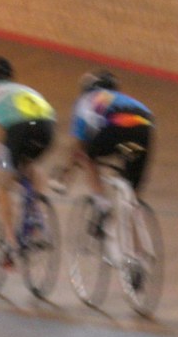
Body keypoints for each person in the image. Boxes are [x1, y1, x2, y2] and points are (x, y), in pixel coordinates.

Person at [0, 56, 56, 264]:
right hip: (47, 127)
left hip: (18, 130)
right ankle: (38, 218)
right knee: (30, 164)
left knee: (1, 184)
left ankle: (10, 242)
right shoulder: (22, 89)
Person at [50, 69, 154, 234]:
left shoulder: (85, 100)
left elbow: (78, 145)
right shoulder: (123, 98)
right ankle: (139, 254)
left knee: (85, 155)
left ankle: (102, 205)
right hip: (145, 126)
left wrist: (65, 176)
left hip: (116, 124)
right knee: (131, 196)